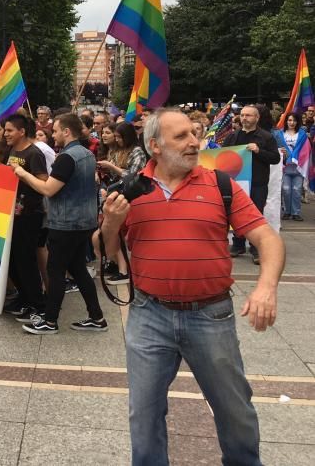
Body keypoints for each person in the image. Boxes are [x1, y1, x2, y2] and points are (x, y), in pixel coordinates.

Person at [100, 109, 285, 466]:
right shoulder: (131, 190)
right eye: (181, 136)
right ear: (154, 146)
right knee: (145, 412)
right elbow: (109, 251)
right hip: (149, 314)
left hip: (211, 316)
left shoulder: (220, 184)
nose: (194, 143)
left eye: (194, 134)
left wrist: (266, 287)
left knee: (235, 410)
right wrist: (111, 222)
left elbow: (267, 238)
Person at [13, 113, 107, 335]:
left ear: (67, 131)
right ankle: (97, 317)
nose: (52, 135)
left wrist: (22, 173)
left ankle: (50, 321)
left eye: (55, 130)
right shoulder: (86, 154)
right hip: (84, 221)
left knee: (55, 271)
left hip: (65, 223)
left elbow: (48, 189)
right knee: (78, 270)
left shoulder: (67, 157)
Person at [0, 114, 48, 323]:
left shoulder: (34, 154)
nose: (5, 134)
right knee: (11, 261)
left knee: (26, 261)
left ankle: (38, 305)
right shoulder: (9, 150)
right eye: (4, 130)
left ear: (21, 131)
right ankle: (24, 297)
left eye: (9, 130)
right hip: (9, 214)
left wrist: (22, 176)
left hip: (29, 216)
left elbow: (43, 182)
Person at [223, 105, 280, 264]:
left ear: (257, 118)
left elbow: (275, 158)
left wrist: (258, 151)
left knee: (255, 214)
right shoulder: (232, 137)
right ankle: (238, 244)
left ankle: (255, 247)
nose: (244, 118)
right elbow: (222, 157)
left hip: (258, 183)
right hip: (236, 183)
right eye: (242, 115)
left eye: (248, 115)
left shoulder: (266, 137)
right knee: (236, 213)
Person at [274, 112, 305, 222]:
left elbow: (306, 149)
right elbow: (273, 148)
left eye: (294, 120)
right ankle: (287, 211)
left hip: (298, 167)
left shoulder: (302, 134)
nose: (292, 123)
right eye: (290, 120)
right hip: (285, 167)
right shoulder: (278, 134)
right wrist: (278, 151)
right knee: (286, 189)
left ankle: (296, 212)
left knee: (297, 190)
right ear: (286, 121)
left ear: (298, 122)